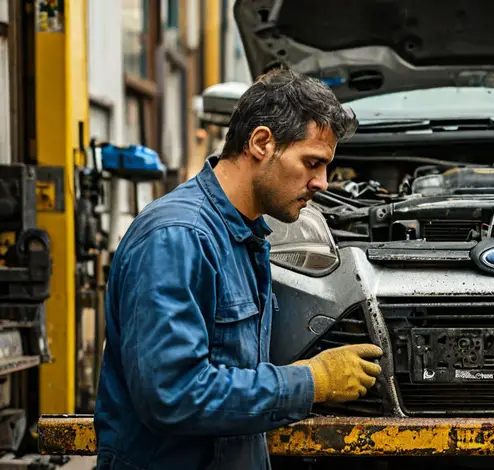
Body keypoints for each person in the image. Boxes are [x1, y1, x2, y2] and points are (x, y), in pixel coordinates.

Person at [93, 67, 383, 470]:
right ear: (261, 143)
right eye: (312, 162)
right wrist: (312, 381)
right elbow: (173, 394)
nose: (322, 183)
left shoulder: (245, 237)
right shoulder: (178, 238)